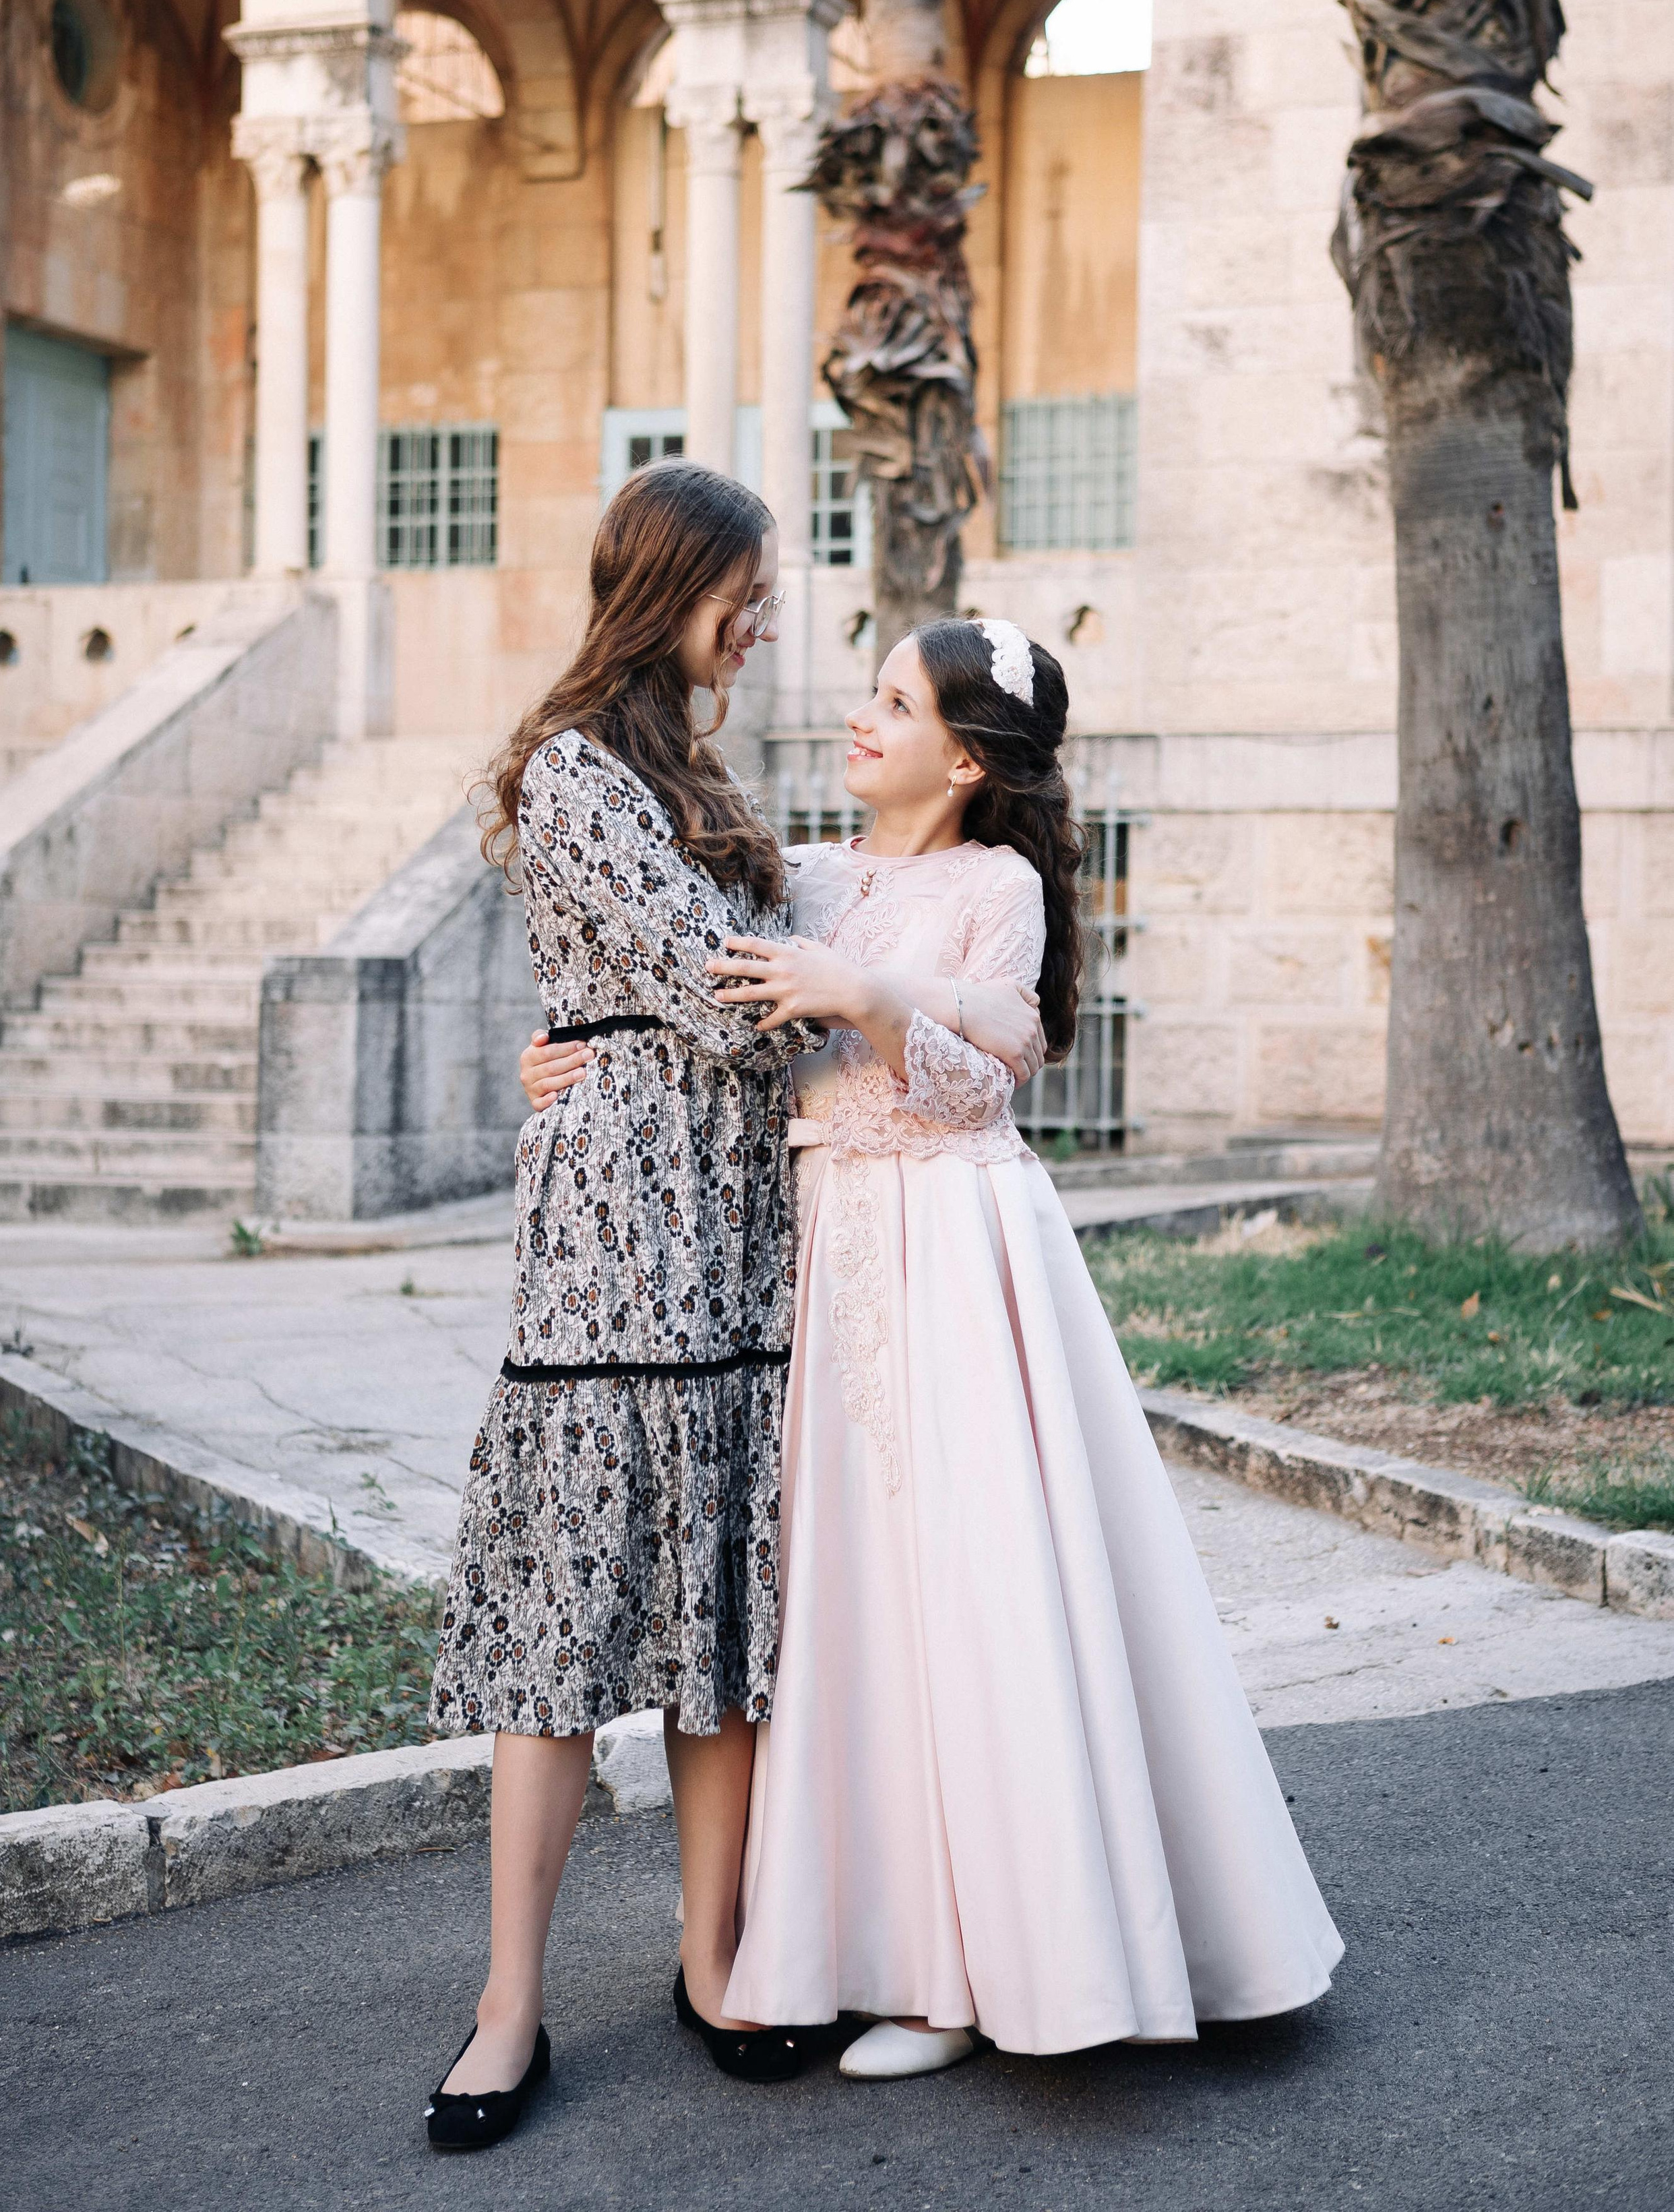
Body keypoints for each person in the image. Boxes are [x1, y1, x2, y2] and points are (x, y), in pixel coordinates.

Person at [527, 614, 1343, 2083]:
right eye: (871, 693)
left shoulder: (997, 886)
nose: (862, 718)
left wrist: (871, 997)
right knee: (846, 1601)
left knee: (965, 1588)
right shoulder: (797, 874)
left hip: (954, 1252)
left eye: (894, 704)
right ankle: (877, 1945)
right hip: (815, 1256)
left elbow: (984, 1080)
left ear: (964, 759)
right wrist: (558, 1060)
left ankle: (977, 1967)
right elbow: (686, 1011)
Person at [422, 469, 1043, 2153]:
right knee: (560, 1627)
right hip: (612, 1250)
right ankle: (507, 2007)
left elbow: (781, 967)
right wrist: (877, 1002)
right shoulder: (573, 769)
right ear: (672, 585)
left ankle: (714, 1958)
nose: (761, 624)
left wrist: (889, 992)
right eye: (744, 594)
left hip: (750, 1236)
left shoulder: (698, 774)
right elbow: (727, 997)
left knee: (722, 1625)